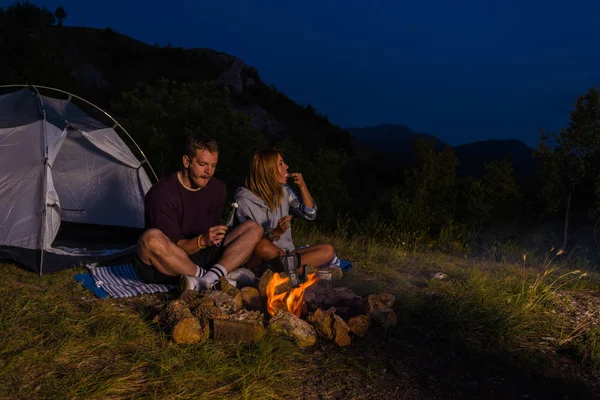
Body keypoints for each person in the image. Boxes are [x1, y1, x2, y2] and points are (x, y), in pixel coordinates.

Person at [135, 137, 263, 292]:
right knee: (150, 239)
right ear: (186, 161)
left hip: (204, 255)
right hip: (169, 261)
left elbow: (214, 239)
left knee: (254, 228)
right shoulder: (162, 194)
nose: (209, 171)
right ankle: (211, 278)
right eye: (202, 164)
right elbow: (174, 248)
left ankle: (209, 280)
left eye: (213, 166)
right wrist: (202, 241)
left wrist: (215, 238)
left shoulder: (218, 188)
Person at [233, 149, 337, 274]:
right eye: (281, 164)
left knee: (327, 250)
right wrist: (276, 233)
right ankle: (301, 271)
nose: (286, 166)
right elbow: (250, 245)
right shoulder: (244, 200)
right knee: (263, 247)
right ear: (268, 170)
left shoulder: (284, 190)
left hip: (287, 254)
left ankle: (288, 270)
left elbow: (310, 214)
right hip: (260, 257)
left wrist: (302, 186)